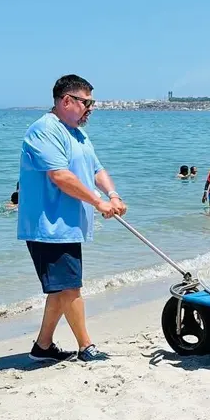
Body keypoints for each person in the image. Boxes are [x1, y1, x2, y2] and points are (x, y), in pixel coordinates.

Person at [17, 74, 127, 363]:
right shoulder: (44, 130)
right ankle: (86, 347)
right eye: (86, 102)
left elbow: (96, 169)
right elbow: (60, 176)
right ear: (67, 101)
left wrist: (113, 195)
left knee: (60, 288)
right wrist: (98, 202)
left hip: (69, 226)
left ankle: (42, 347)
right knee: (70, 287)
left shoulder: (78, 133)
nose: (91, 108)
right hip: (48, 227)